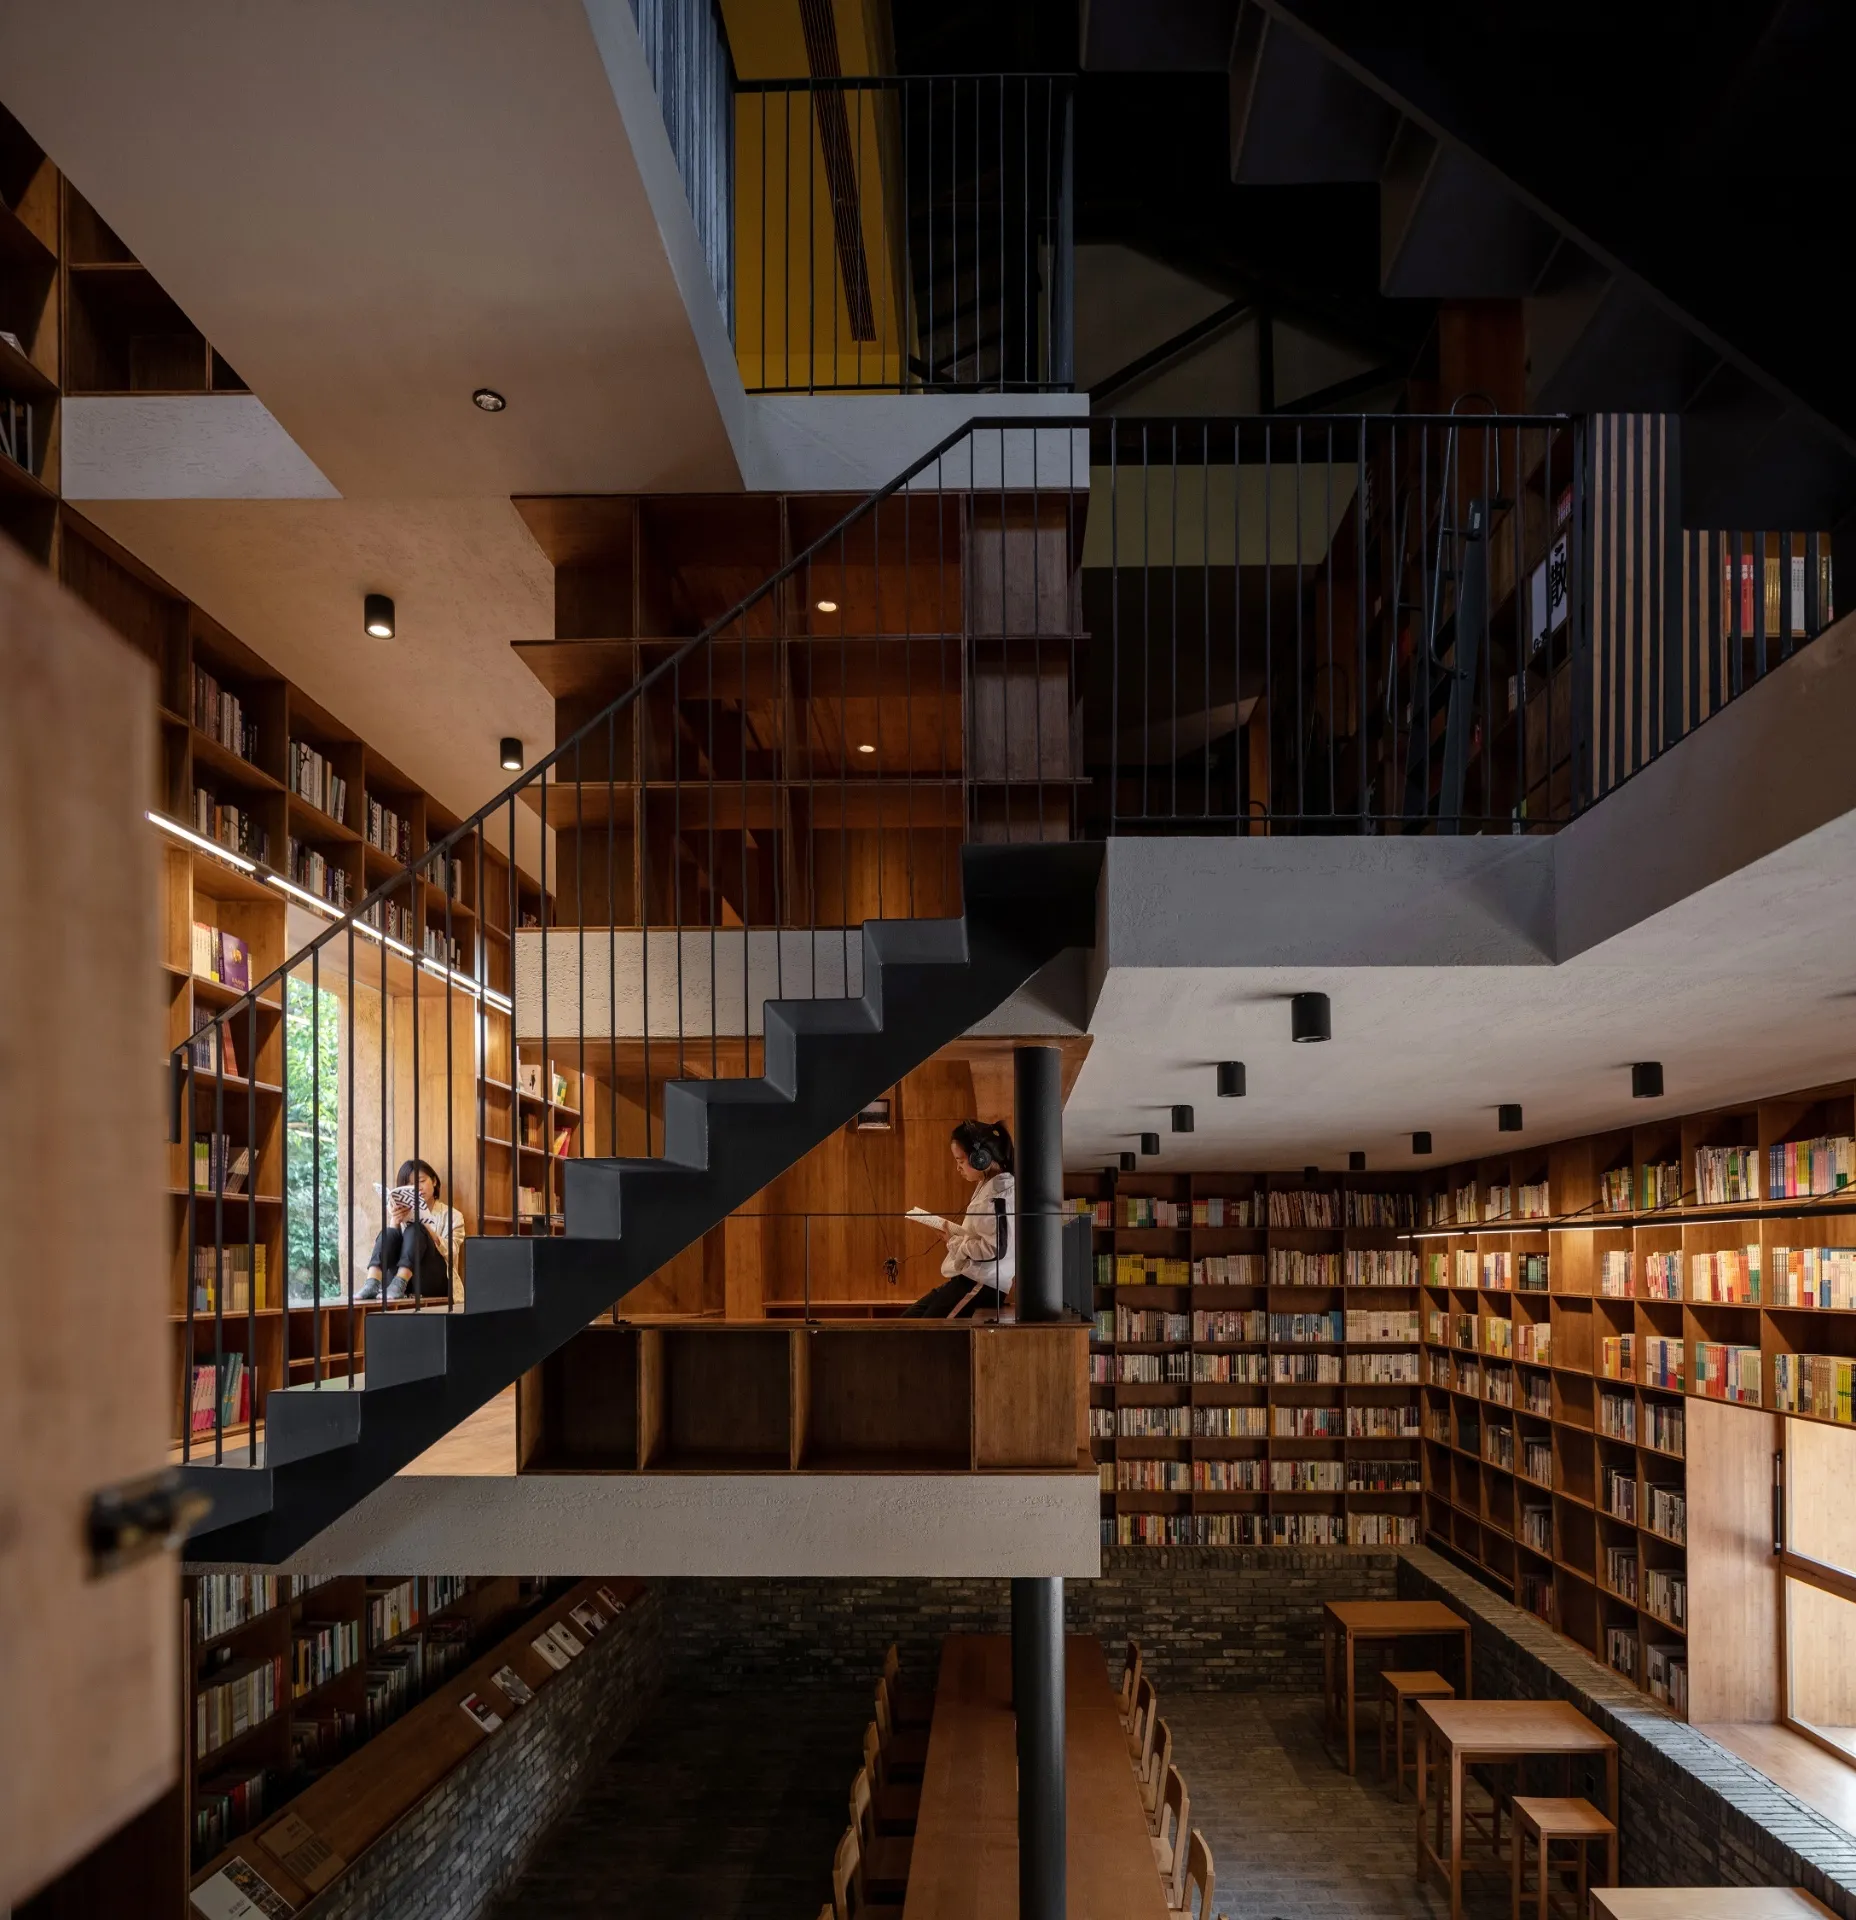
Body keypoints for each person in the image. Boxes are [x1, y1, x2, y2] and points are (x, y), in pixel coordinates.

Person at [902, 1120, 1016, 1318]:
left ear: (980, 1158)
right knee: (908, 1321)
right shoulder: (987, 1185)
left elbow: (995, 1248)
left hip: (983, 1284)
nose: (958, 1168)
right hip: (969, 1278)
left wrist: (953, 1241)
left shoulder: (999, 1194)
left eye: (960, 1161)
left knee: (926, 1333)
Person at [359, 1158, 463, 1302]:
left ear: (433, 1181)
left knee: (416, 1229)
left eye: (421, 1181)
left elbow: (452, 1251)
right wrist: (395, 1221)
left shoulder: (453, 1216)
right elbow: (393, 1246)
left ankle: (400, 1281)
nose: (417, 1188)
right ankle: (372, 1282)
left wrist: (424, 1225)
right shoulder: (403, 1211)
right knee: (388, 1233)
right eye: (409, 1184)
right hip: (404, 1284)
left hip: (434, 1279)